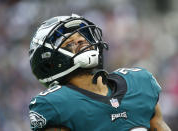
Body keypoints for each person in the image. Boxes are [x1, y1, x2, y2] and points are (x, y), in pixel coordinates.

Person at [28, 14, 171, 131]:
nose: (81, 40)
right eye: (69, 43)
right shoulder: (55, 104)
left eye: (83, 38)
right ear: (49, 62)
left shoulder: (139, 81)